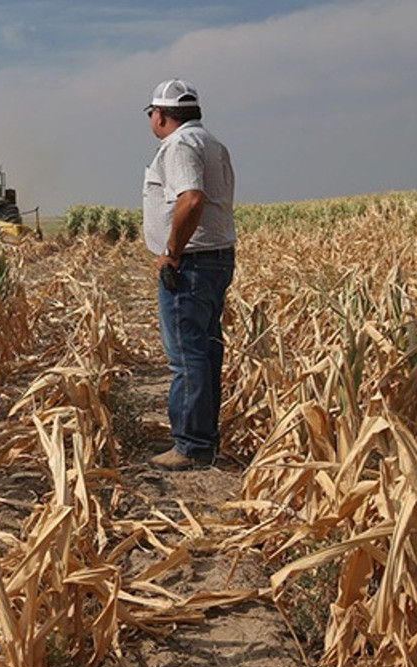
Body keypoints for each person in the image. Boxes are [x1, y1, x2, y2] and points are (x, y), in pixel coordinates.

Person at [141, 78, 237, 471]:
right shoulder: (212, 143)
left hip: (191, 263)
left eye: (152, 114)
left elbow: (191, 198)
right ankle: (204, 439)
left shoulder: (179, 145)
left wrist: (171, 253)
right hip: (214, 259)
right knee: (206, 350)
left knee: (187, 355)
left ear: (160, 115)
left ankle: (191, 446)